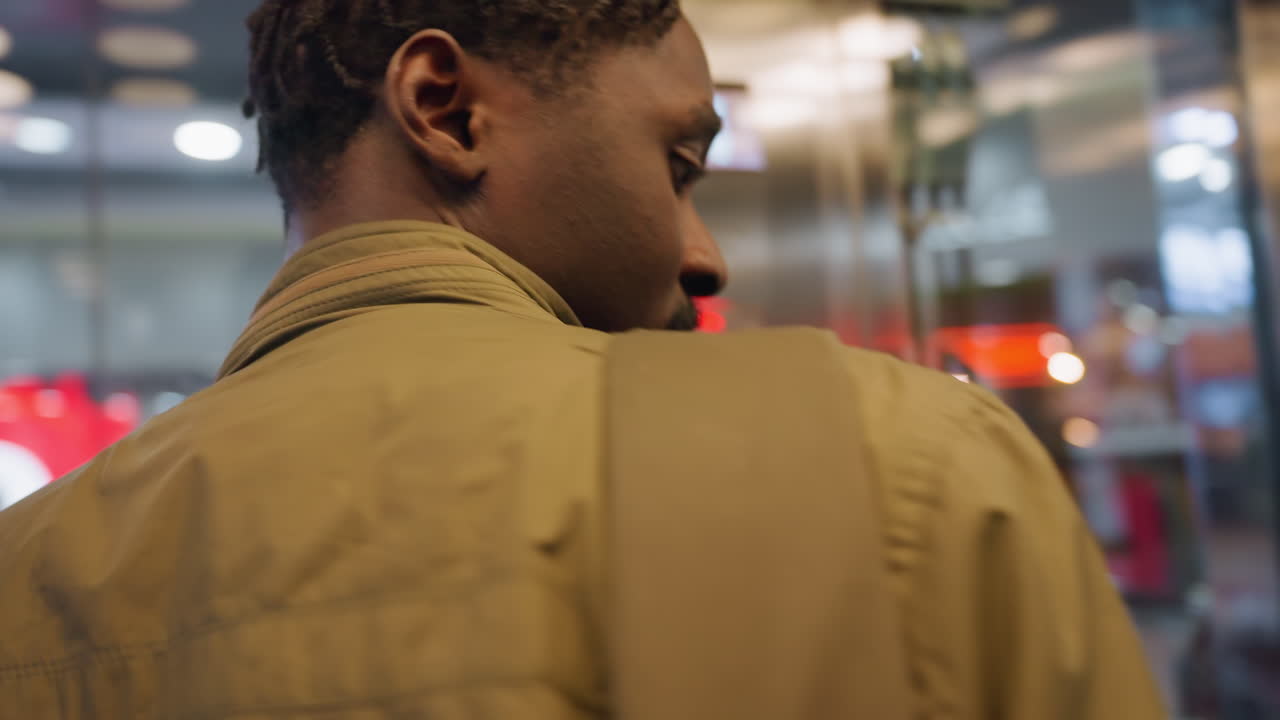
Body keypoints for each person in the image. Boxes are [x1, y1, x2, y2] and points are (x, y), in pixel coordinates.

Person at [0, 1, 1166, 718]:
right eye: (677, 165)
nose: (703, 257)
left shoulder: (32, 570)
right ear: (445, 109)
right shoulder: (895, 456)